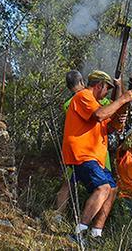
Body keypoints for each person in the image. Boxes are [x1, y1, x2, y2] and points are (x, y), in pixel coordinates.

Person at [62, 70, 132, 243]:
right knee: (103, 188)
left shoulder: (95, 103)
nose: (107, 93)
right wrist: (122, 99)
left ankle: (96, 233)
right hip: (83, 154)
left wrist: (118, 119)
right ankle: (79, 233)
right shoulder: (84, 96)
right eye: (107, 88)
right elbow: (99, 115)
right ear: (99, 85)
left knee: (112, 189)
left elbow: (108, 127)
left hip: (94, 157)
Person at [53, 70, 87, 218]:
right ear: (82, 82)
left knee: (67, 184)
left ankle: (58, 215)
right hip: (88, 151)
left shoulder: (68, 103)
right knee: (103, 187)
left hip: (72, 150)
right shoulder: (88, 98)